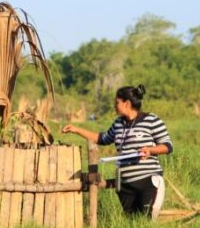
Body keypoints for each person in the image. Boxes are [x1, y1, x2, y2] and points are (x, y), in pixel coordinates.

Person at [62, 84, 172, 219]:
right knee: (132, 224)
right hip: (125, 186)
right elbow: (102, 138)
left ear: (127, 103)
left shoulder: (151, 120)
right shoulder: (118, 123)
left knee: (147, 221)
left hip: (148, 182)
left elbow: (167, 146)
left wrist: (150, 150)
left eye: (117, 102)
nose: (114, 105)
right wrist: (76, 130)